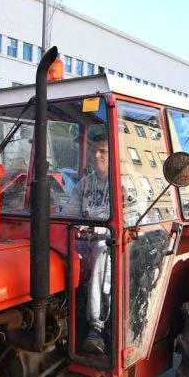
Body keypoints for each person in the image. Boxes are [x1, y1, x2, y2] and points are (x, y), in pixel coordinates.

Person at [64, 134, 111, 354]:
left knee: (101, 252)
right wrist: (74, 225)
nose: (96, 155)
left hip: (110, 244)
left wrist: (100, 229)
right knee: (58, 250)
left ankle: (96, 327)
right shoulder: (85, 184)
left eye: (102, 151)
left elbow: (132, 217)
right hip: (83, 242)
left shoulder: (123, 184)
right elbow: (69, 214)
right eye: (93, 150)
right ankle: (62, 315)